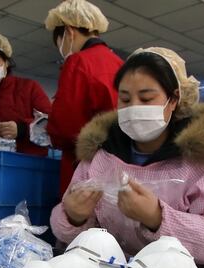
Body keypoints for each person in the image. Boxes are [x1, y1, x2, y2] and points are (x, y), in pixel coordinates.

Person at [50, 48, 204, 265]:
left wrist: (157, 218)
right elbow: (62, 223)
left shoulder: (202, 160)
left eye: (146, 98)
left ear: (173, 99)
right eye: (125, 99)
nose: (134, 108)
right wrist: (74, 216)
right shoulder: (99, 155)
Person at [45, 0, 124, 195]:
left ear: (69, 32)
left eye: (59, 41)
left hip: (84, 164)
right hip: (119, 162)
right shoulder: (120, 63)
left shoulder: (78, 62)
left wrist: (49, 126)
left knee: (79, 222)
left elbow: (65, 127)